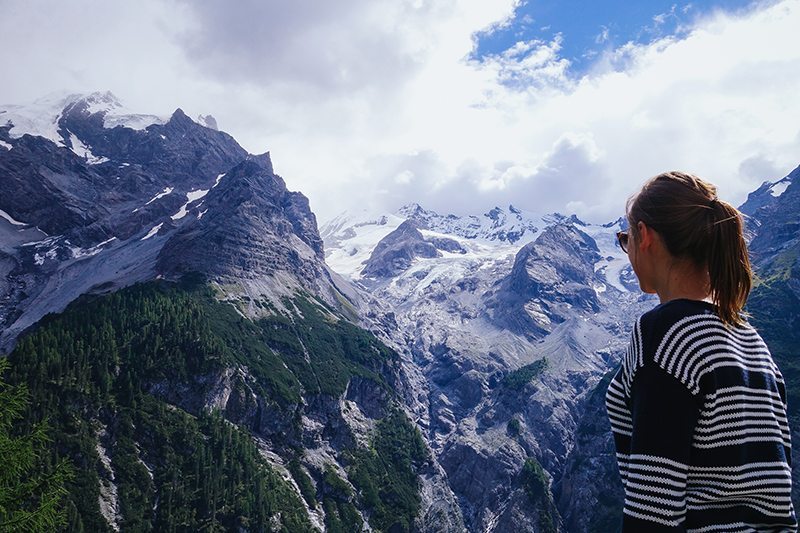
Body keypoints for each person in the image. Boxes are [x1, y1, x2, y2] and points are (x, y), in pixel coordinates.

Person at [605, 171, 797, 532]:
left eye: (625, 239)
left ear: (644, 237)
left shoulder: (666, 333)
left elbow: (655, 509)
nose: (626, 250)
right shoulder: (752, 341)